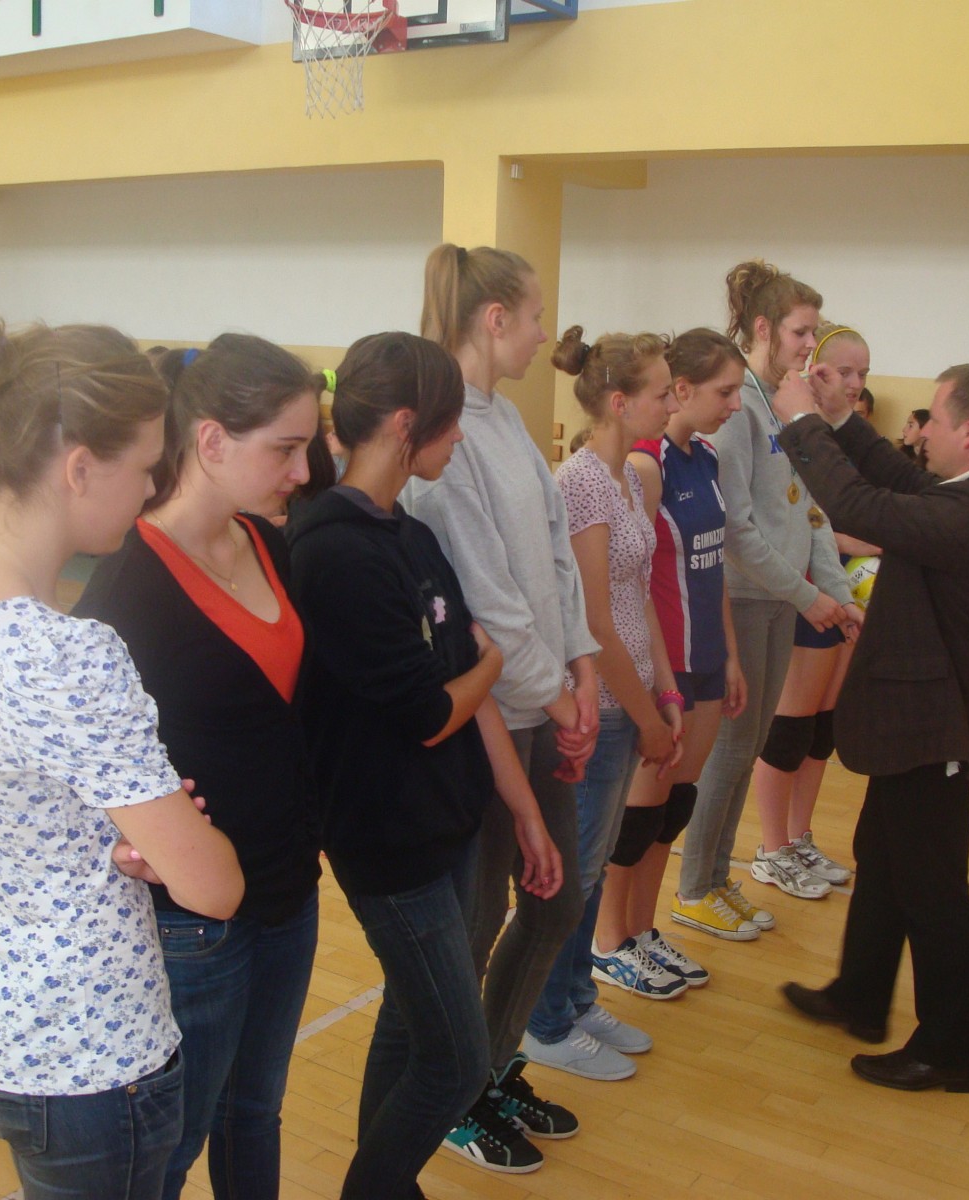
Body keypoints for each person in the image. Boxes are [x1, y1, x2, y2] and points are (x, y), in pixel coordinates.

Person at [0, 304, 244, 1200]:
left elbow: (26, 796)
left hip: (2, 1030)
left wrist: (124, 836)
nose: (153, 486)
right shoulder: (67, 654)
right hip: (91, 1056)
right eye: (145, 465)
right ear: (80, 467)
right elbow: (214, 886)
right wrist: (181, 843)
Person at [290, 330, 565, 1196]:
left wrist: (524, 812)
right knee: (456, 1061)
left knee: (411, 1025)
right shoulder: (332, 550)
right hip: (389, 844)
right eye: (451, 425)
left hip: (445, 826)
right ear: (408, 426)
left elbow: (464, 698)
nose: (460, 439)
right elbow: (433, 708)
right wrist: (489, 663)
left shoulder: (410, 535)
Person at [74, 333, 325, 1200]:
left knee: (256, 1111)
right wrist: (121, 840)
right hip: (195, 921)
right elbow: (80, 756)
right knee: (176, 1142)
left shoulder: (268, 544)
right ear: (211, 441)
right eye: (285, 449)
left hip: (288, 888)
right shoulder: (127, 587)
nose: (303, 471)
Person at [776, 358, 969, 1093]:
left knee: (932, 890)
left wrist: (801, 419)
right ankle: (860, 997)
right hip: (921, 721)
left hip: (939, 727)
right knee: (884, 855)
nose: (921, 432)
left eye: (934, 419)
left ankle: (951, 1052)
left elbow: (860, 503)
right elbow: (896, 477)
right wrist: (838, 417)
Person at [404, 243, 598, 1174]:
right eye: (533, 317)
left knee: (556, 904)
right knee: (475, 922)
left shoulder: (510, 418)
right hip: (490, 717)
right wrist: (559, 699)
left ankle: (484, 1068)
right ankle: (448, 1094)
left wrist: (583, 668)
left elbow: (556, 561)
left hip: (546, 700)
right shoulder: (445, 437)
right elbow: (488, 599)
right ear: (493, 319)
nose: (543, 334)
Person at [524, 325, 690, 1075]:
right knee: (578, 867)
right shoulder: (582, 483)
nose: (671, 404)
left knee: (593, 861)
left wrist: (666, 688)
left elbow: (639, 594)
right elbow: (593, 619)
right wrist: (644, 717)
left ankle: (576, 996)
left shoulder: (632, 480)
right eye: (661, 393)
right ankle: (543, 1022)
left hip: (635, 698)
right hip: (598, 705)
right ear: (619, 402)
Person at [677, 260, 856, 935]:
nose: (811, 344)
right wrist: (808, 596)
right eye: (802, 332)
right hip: (745, 599)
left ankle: (718, 878)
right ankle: (696, 886)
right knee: (730, 748)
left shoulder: (781, 402)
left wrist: (834, 592)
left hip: (782, 599)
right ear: (763, 328)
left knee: (751, 743)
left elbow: (809, 510)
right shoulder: (740, 409)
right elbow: (736, 529)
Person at [605, 329, 750, 960]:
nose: (735, 405)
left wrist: (732, 656)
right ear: (682, 390)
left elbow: (712, 567)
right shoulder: (646, 466)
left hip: (709, 659)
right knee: (638, 819)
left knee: (674, 810)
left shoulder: (706, 458)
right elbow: (630, 580)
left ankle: (643, 930)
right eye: (725, 392)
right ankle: (610, 942)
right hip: (665, 664)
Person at [746, 324, 881, 902]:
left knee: (821, 729)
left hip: (838, 587)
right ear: (814, 370)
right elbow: (793, 516)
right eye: (843, 371)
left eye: (862, 374)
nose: (854, 383)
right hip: (798, 588)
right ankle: (771, 848)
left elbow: (827, 517)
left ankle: (799, 837)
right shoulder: (784, 426)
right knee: (789, 727)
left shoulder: (840, 433)